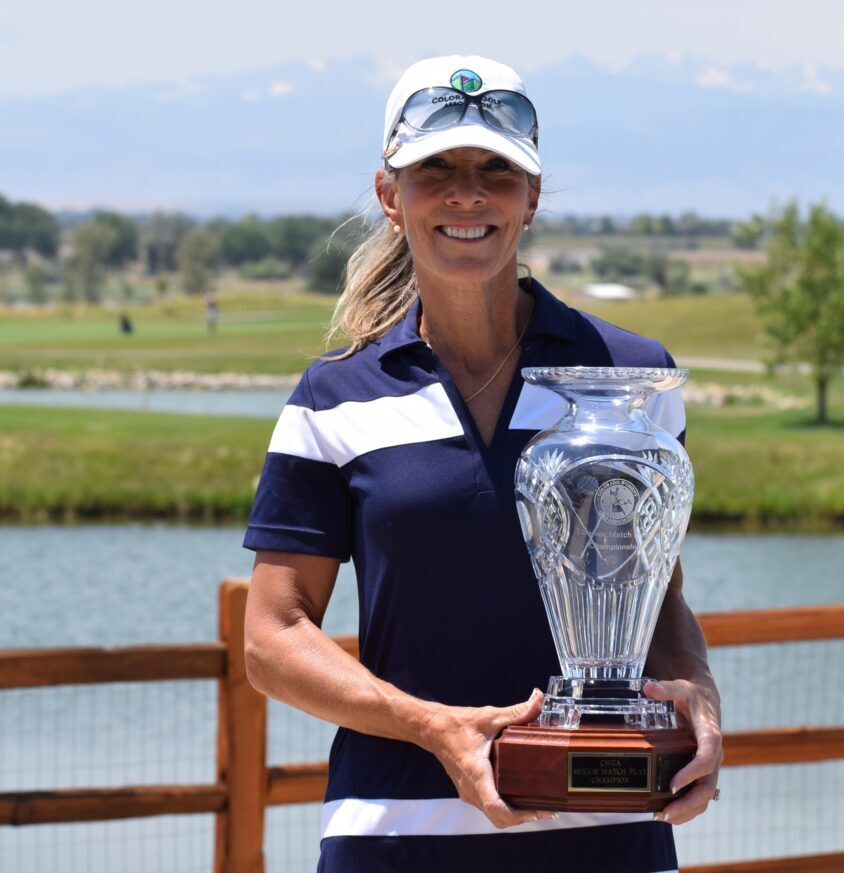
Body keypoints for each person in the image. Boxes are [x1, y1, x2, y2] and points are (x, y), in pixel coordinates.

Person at [243, 55, 722, 873]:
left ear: (531, 196)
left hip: (610, 833)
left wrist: (698, 696)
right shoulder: (333, 398)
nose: (467, 194)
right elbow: (271, 637)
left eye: (496, 170)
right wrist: (435, 727)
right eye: (436, 169)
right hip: (392, 837)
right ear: (391, 196)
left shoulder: (630, 378)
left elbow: (661, 597)